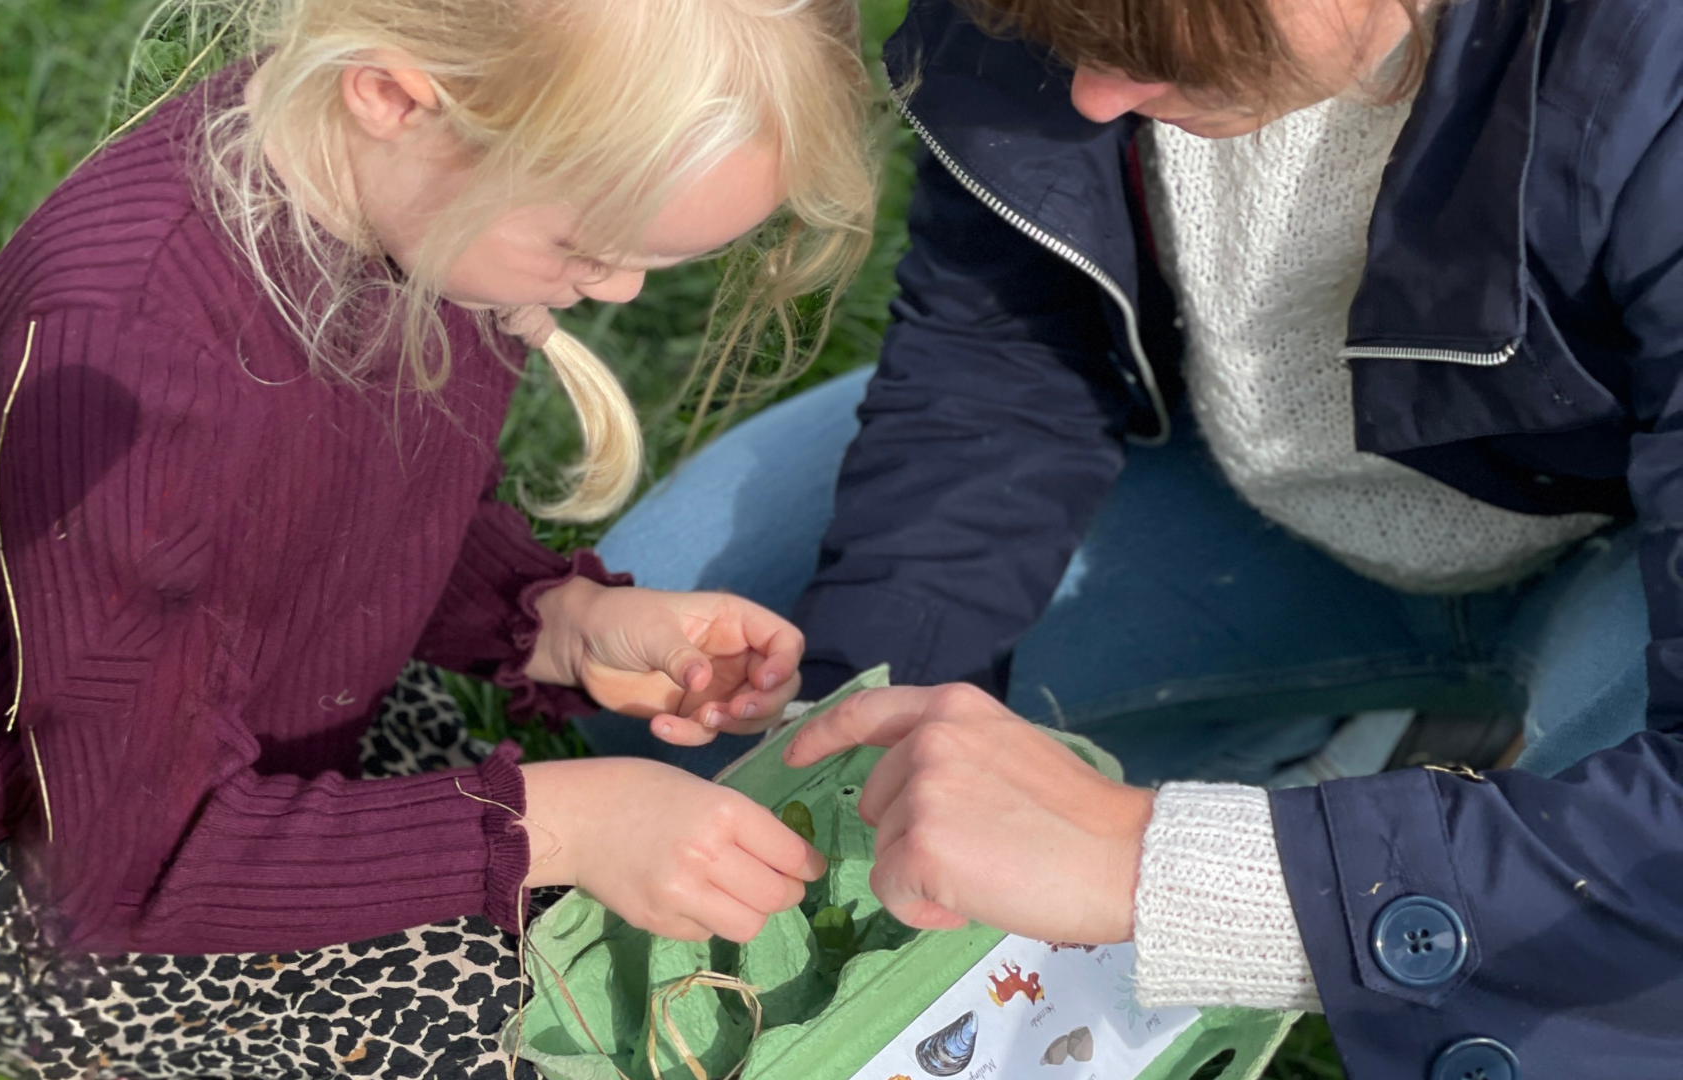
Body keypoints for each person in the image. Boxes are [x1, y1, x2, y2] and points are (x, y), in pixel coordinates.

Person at [0, 0, 877, 1075]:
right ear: (394, 94)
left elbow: (352, 522)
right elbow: (134, 868)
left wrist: (563, 624)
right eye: (587, 248)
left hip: (247, 720)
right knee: (555, 1032)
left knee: (608, 939)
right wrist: (564, 823)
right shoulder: (141, 367)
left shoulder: (406, 193)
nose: (620, 292)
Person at [583, 0, 1683, 1075]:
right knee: (695, 674)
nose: (1098, 96)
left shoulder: (1652, 76)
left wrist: (1158, 866)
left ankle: (1396, 793)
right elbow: (1002, 370)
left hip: (1621, 563)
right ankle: (1359, 742)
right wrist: (863, 743)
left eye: (1162, 47)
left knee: (1592, 970)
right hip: (1251, 490)